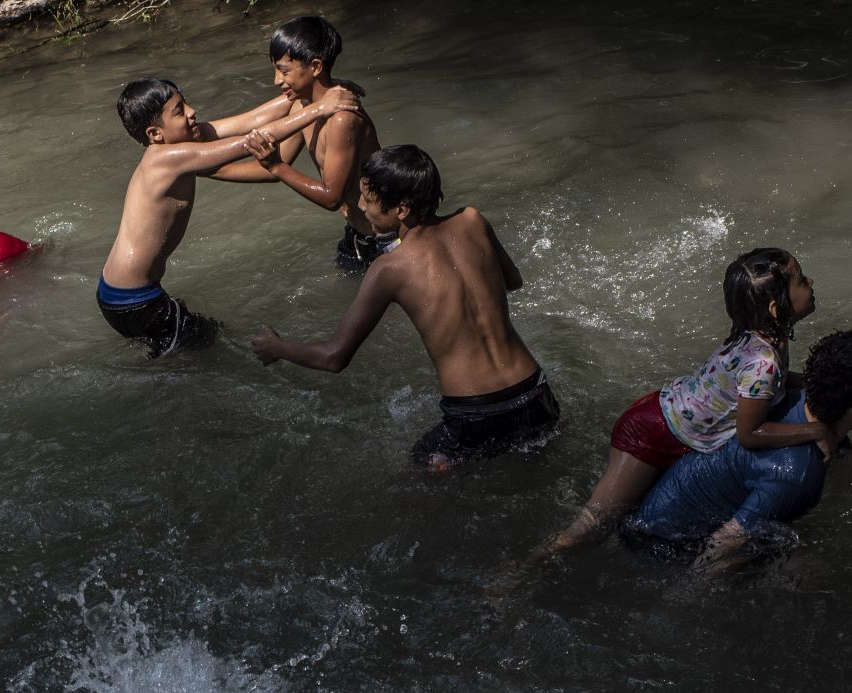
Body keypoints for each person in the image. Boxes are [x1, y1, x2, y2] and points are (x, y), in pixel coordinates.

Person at [251, 145, 558, 468]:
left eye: (368, 200)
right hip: (536, 396)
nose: (360, 207)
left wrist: (277, 347)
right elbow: (513, 282)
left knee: (421, 471)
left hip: (475, 415)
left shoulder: (389, 268)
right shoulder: (473, 219)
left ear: (401, 209)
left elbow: (333, 357)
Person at [539, 247, 824, 553]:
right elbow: (750, 433)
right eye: (801, 280)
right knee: (590, 528)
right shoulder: (763, 361)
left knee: (622, 518)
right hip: (650, 435)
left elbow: (770, 384)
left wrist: (811, 381)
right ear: (774, 308)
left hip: (662, 417)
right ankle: (524, 572)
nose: (811, 282)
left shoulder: (765, 339)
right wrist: (817, 431)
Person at [100, 77, 359, 357]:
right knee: (210, 353)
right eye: (179, 111)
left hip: (121, 294)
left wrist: (305, 92)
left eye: (185, 102)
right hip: (136, 300)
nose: (191, 111)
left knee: (204, 342)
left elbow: (253, 119)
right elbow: (250, 143)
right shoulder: (168, 157)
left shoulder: (187, 139)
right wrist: (319, 109)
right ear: (155, 134)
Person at [620, 329, 852, 570]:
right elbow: (724, 546)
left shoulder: (792, 398)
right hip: (661, 547)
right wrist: (682, 603)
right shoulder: (797, 476)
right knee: (812, 568)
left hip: (656, 512)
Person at [242, 17, 387, 271]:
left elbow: (331, 197)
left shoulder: (343, 118)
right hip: (356, 233)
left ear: (316, 66)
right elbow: (272, 162)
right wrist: (207, 170)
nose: (277, 80)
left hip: (385, 241)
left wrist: (276, 166)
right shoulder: (303, 105)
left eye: (284, 70)